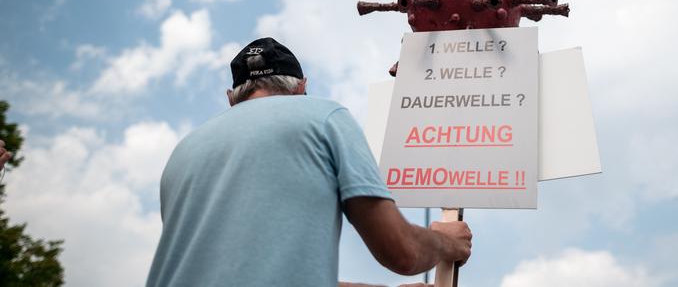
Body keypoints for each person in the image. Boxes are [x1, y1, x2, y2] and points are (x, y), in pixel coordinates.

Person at [146, 37, 471, 287]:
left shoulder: (182, 153)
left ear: (231, 98)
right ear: (302, 87)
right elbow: (401, 252)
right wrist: (447, 242)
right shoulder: (323, 117)